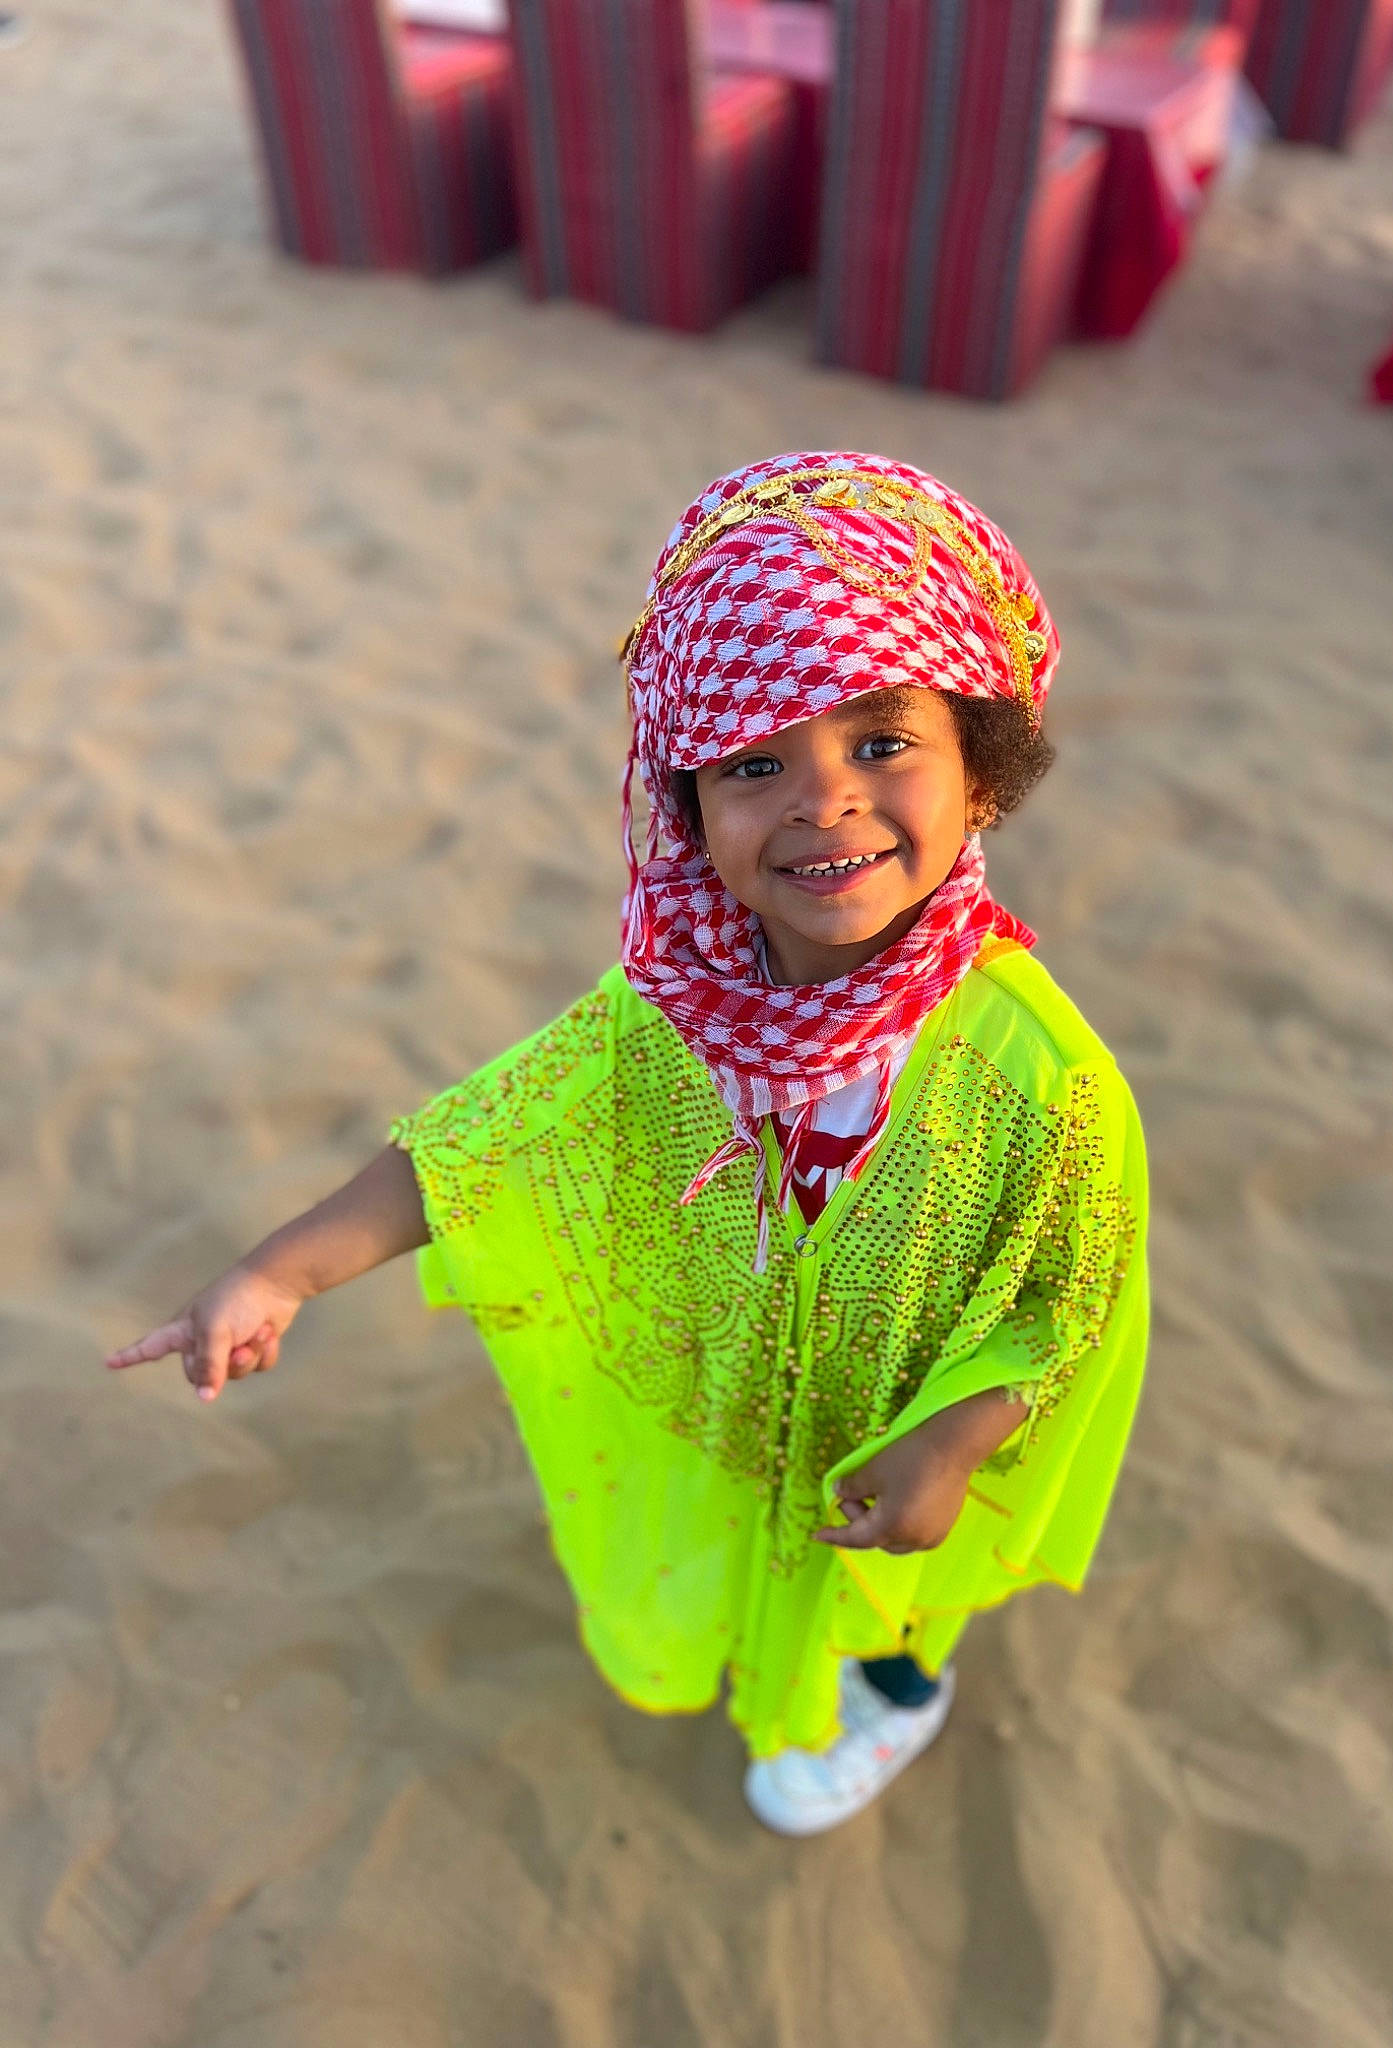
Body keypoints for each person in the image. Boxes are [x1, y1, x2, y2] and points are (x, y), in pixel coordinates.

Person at [105, 452, 1149, 1836]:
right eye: (756, 763)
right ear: (688, 806)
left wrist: (958, 1440)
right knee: (749, 1555)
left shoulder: (1046, 1079)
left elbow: (1069, 1305)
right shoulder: (672, 1010)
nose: (824, 800)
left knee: (886, 1608)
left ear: (983, 764)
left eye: (881, 742)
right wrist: (277, 1273)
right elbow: (482, 1140)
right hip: (736, 1404)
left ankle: (901, 1699)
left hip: (897, 1437)